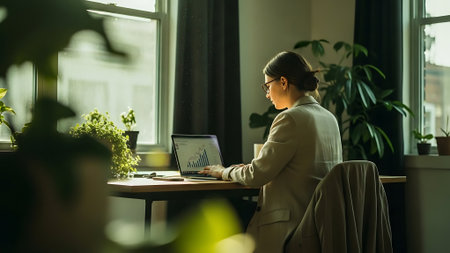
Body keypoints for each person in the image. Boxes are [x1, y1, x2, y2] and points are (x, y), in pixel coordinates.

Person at [199, 51, 343, 253]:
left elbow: (256, 176)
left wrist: (223, 171)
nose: (267, 94)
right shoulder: (329, 118)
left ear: (283, 82)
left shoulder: (290, 118)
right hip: (319, 228)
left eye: (268, 86)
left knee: (220, 218)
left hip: (290, 228)